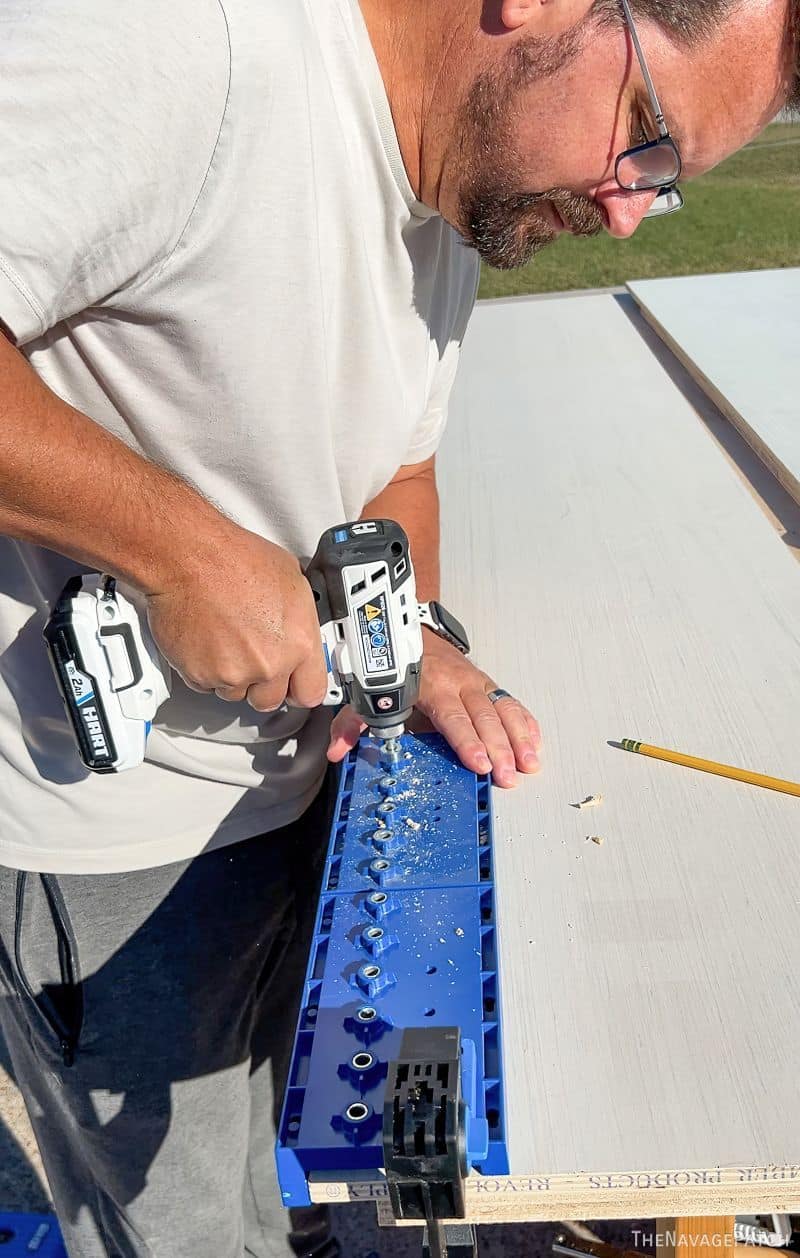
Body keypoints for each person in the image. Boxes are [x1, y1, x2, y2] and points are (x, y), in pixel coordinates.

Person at [0, 0, 795, 1254]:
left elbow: (396, 466)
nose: (632, 205)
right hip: (118, 837)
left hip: (303, 778)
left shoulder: (456, 177)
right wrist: (179, 553)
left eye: (668, 182)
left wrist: (402, 634)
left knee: (322, 1164)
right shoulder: (190, 43)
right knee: (192, 1224)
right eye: (645, 135)